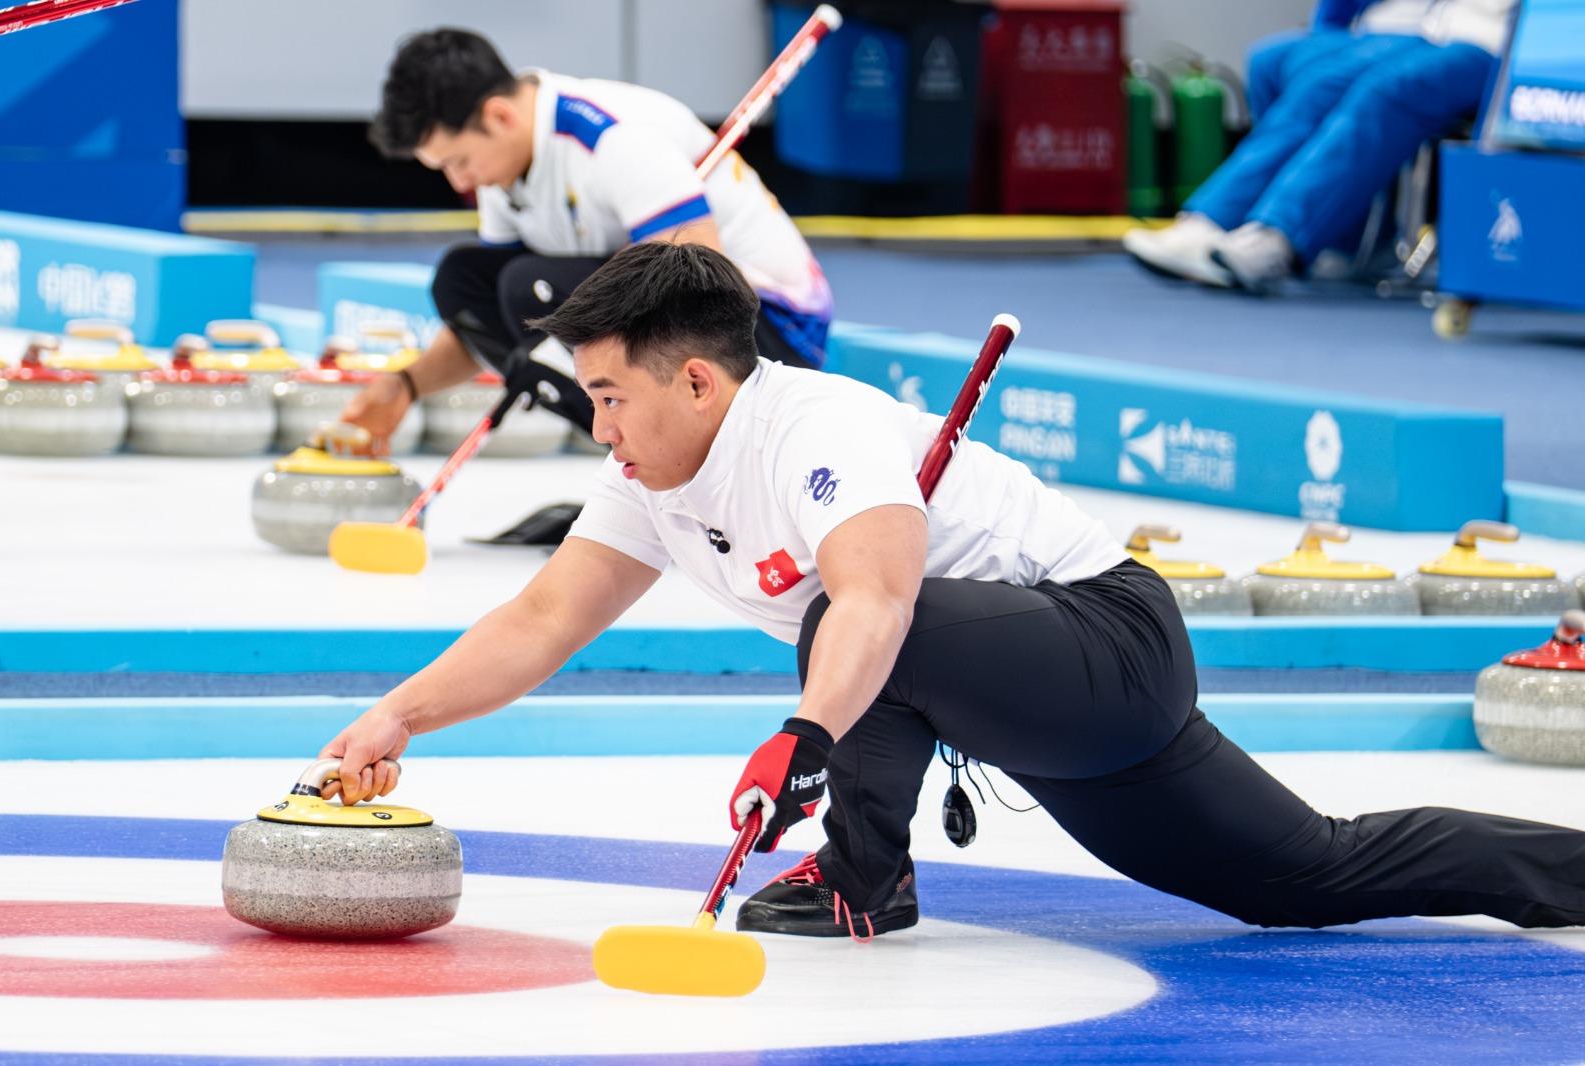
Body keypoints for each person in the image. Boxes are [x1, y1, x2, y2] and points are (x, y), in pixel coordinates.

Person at [317, 241, 1585, 942]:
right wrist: (399, 718)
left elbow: (872, 603)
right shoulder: (649, 476)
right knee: (1305, 877)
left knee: (844, 619)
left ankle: (865, 875)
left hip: (1108, 641)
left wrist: (806, 739)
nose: (597, 426)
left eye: (609, 396)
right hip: (1019, 706)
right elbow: (544, 618)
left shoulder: (817, 431)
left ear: (698, 382)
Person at [338, 29, 833, 540]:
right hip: (673, 319)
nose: (460, 182)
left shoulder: (611, 137)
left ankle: (708, 484)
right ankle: (658, 486)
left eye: (458, 162)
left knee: (529, 288)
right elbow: (489, 320)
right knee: (464, 282)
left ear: (498, 117)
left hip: (764, 329)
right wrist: (407, 385)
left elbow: (702, 280)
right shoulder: (504, 170)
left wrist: (566, 342)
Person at [1124, 0, 1515, 293]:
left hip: (1500, 45)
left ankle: (1277, 238)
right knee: (1310, 78)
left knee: (1385, 89)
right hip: (1432, 29)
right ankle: (1215, 220)